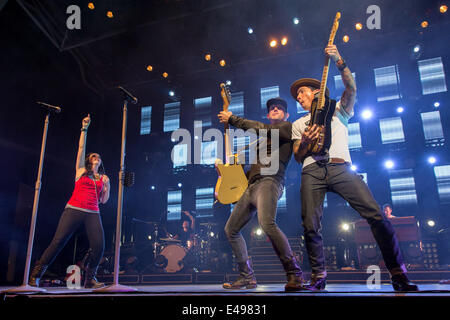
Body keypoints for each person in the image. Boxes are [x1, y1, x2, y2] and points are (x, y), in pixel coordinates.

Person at [291, 44, 418, 291]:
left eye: (303, 92)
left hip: (341, 168)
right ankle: (318, 277)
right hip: (312, 171)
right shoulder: (298, 123)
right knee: (310, 225)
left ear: (317, 91)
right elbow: (297, 156)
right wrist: (305, 142)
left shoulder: (338, 109)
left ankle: (398, 274)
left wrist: (339, 60)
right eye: (296, 95)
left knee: (376, 216)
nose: (298, 96)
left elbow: (351, 87)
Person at [217, 97, 304, 291]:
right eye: (271, 108)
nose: (274, 109)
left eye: (279, 108)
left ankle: (294, 273)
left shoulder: (286, 129)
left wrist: (233, 119)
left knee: (267, 223)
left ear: (286, 115)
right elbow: (252, 172)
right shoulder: (263, 141)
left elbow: (259, 128)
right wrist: (227, 177)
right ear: (267, 114)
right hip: (252, 186)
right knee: (230, 230)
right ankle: (246, 276)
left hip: (270, 182)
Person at [29, 114, 110, 289]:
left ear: (100, 161)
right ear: (90, 160)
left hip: (93, 211)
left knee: (99, 245)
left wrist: (107, 185)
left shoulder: (103, 177)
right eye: (93, 155)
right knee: (58, 241)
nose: (96, 157)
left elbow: (103, 200)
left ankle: (90, 278)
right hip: (74, 208)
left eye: (98, 156)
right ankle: (36, 275)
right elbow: (81, 148)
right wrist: (84, 129)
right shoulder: (81, 170)